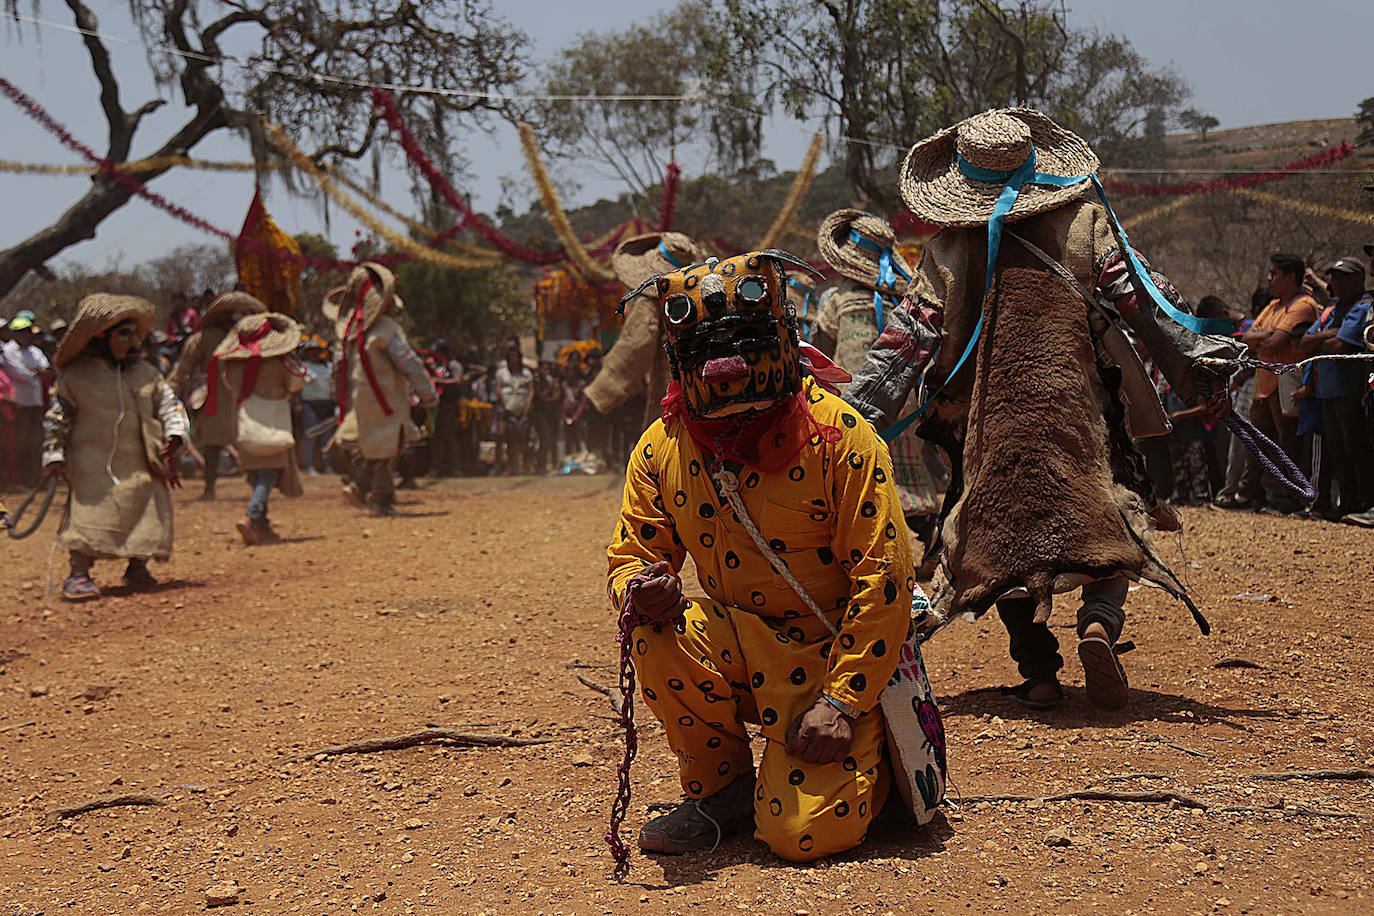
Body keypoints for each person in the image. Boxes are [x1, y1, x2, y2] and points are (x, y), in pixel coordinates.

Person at [844, 109, 1240, 711]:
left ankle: (1039, 674)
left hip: (985, 424)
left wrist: (850, 419)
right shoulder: (1085, 222)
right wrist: (1200, 371)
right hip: (1077, 406)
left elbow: (905, 343)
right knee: (1115, 507)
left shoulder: (947, 249)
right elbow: (1145, 300)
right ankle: (1100, 620)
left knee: (993, 532)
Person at [608, 250, 914, 862]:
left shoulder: (840, 435)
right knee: (654, 631)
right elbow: (632, 553)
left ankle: (871, 761)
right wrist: (642, 588)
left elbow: (885, 577)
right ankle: (721, 791)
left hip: (831, 660)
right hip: (738, 646)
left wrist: (842, 700)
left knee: (798, 835)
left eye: (745, 344)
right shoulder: (661, 446)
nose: (725, 368)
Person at [41, 295, 188, 601]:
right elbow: (57, 418)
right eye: (124, 334)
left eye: (135, 334)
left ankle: (137, 567)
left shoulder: (147, 374)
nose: (134, 342)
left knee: (147, 508)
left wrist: (175, 433)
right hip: (91, 465)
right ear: (101, 337)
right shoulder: (76, 376)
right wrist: (53, 453)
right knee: (89, 514)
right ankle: (78, 573)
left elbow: (170, 405)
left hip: (141, 462)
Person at [815, 209, 942, 532]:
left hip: (854, 398)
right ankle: (925, 527)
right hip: (901, 397)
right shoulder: (902, 299)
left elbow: (820, 347)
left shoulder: (839, 298)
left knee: (857, 463)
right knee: (906, 464)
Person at [323, 263, 436, 517]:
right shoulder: (385, 329)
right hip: (387, 399)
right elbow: (409, 362)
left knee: (376, 446)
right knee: (389, 447)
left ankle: (358, 487)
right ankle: (378, 500)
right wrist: (427, 394)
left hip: (363, 399)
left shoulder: (353, 331)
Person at [585, 232, 708, 433]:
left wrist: (600, 392)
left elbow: (637, 343)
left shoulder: (651, 301)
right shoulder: (706, 296)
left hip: (677, 394)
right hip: (711, 390)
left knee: (668, 443)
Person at [209, 312, 306, 545]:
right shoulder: (278, 364)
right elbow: (296, 383)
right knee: (269, 472)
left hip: (244, 423)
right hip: (272, 424)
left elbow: (229, 385)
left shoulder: (233, 365)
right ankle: (252, 515)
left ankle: (262, 526)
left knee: (256, 473)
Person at [1235, 253, 1321, 513]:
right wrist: (1267, 335)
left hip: (1288, 384)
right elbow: (1246, 339)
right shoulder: (1273, 306)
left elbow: (1274, 343)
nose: (1269, 278)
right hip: (1264, 384)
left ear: (1291, 277)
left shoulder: (1303, 305)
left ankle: (1290, 499)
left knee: (1288, 445)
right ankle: (1251, 497)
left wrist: (1264, 337)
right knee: (1256, 444)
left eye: (1275, 274)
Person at [168, 291, 268, 500]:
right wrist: (169, 392)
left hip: (243, 394)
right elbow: (184, 368)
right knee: (213, 443)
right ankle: (210, 487)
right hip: (216, 395)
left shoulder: (249, 339)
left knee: (248, 441)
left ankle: (257, 488)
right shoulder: (204, 338)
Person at [1297, 257, 1374, 517]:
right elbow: (1304, 343)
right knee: (1337, 450)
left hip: (1350, 392)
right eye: (1335, 278)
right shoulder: (1332, 310)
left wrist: (1325, 338)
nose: (1336, 283)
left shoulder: (1363, 307)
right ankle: (1348, 503)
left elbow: (1341, 345)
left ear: (1359, 279)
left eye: (1343, 278)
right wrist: (1329, 335)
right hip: (1327, 392)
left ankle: (1366, 502)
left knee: (1357, 449)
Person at [1, 314, 53, 490]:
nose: (26, 335)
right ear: (15, 333)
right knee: (20, 445)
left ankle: (35, 480)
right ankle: (20, 480)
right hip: (19, 406)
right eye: (22, 332)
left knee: (36, 443)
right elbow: (20, 374)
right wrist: (36, 372)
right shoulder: (8, 351)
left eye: (28, 331)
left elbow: (48, 371)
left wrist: (33, 371)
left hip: (36, 404)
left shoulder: (35, 351)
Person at [296, 336, 334, 474]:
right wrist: (297, 403)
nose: (314, 354)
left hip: (327, 404)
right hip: (309, 404)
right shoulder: (303, 367)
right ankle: (309, 466)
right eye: (311, 351)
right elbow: (297, 386)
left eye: (317, 351)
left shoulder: (328, 367)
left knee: (327, 438)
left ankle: (328, 466)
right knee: (310, 435)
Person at [494, 343, 533, 475]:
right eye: (511, 357)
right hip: (507, 408)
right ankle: (510, 466)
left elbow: (531, 390)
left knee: (524, 437)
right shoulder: (502, 373)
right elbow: (498, 388)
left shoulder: (526, 373)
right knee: (509, 437)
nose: (514, 360)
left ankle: (526, 466)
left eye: (516, 357)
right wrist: (505, 404)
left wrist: (527, 406)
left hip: (522, 408)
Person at [428, 338, 465, 477]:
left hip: (449, 405)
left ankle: (455, 468)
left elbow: (457, 380)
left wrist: (440, 381)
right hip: (435, 405)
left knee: (450, 437)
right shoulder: (435, 366)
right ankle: (435, 467)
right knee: (435, 437)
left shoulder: (454, 365)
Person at [530, 360, 562, 474]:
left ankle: (555, 464)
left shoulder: (554, 380)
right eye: (544, 369)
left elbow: (557, 395)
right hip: (540, 414)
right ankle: (541, 466)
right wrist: (549, 388)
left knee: (553, 440)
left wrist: (551, 395)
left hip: (552, 413)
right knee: (545, 439)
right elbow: (539, 395)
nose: (546, 371)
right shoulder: (536, 381)